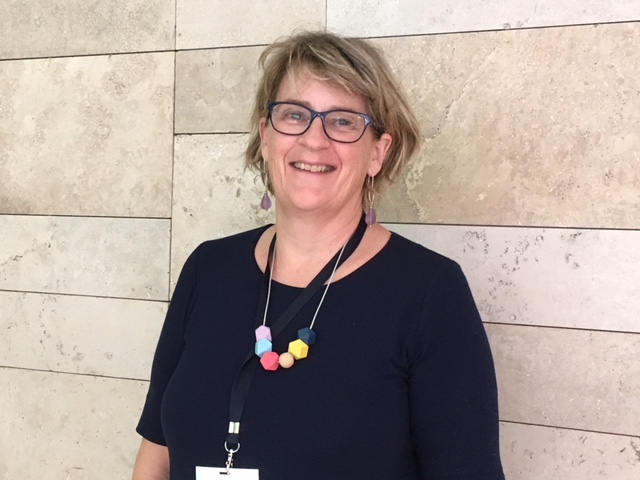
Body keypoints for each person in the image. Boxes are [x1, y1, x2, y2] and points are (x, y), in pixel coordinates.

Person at [133, 31, 505, 480]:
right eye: (295, 114)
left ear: (378, 153)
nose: (314, 139)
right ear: (266, 136)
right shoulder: (208, 269)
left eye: (343, 122)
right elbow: (156, 452)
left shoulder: (429, 293)